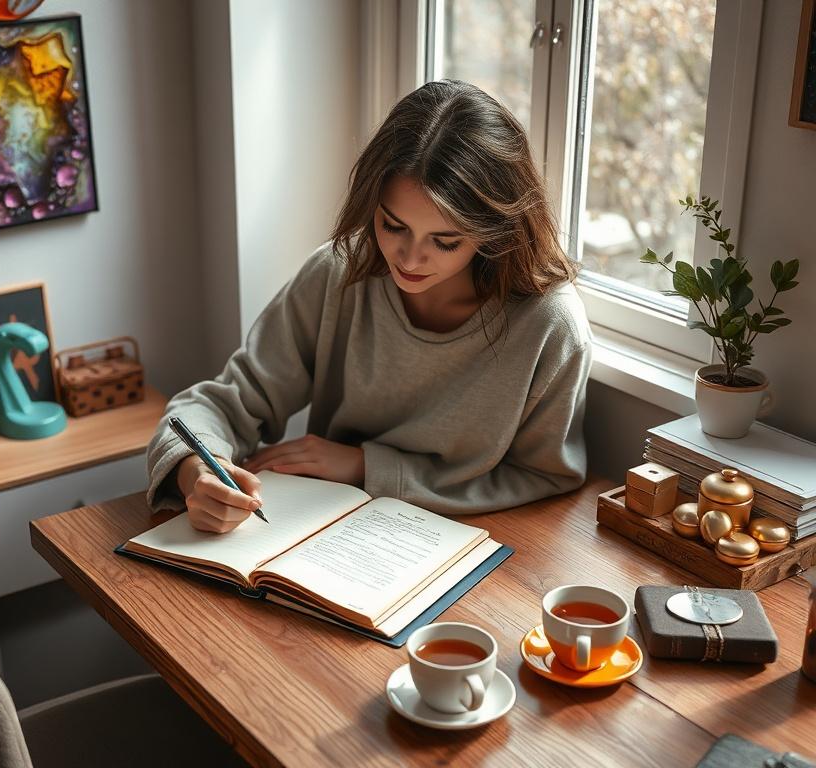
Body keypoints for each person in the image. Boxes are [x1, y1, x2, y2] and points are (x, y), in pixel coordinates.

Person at [146, 79, 591, 534]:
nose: (410, 259)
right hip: (326, 535)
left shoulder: (549, 325)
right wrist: (198, 472)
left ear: (495, 229)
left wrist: (367, 468)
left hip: (468, 550)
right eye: (392, 225)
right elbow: (220, 405)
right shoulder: (340, 272)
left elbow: (544, 474)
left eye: (445, 241)